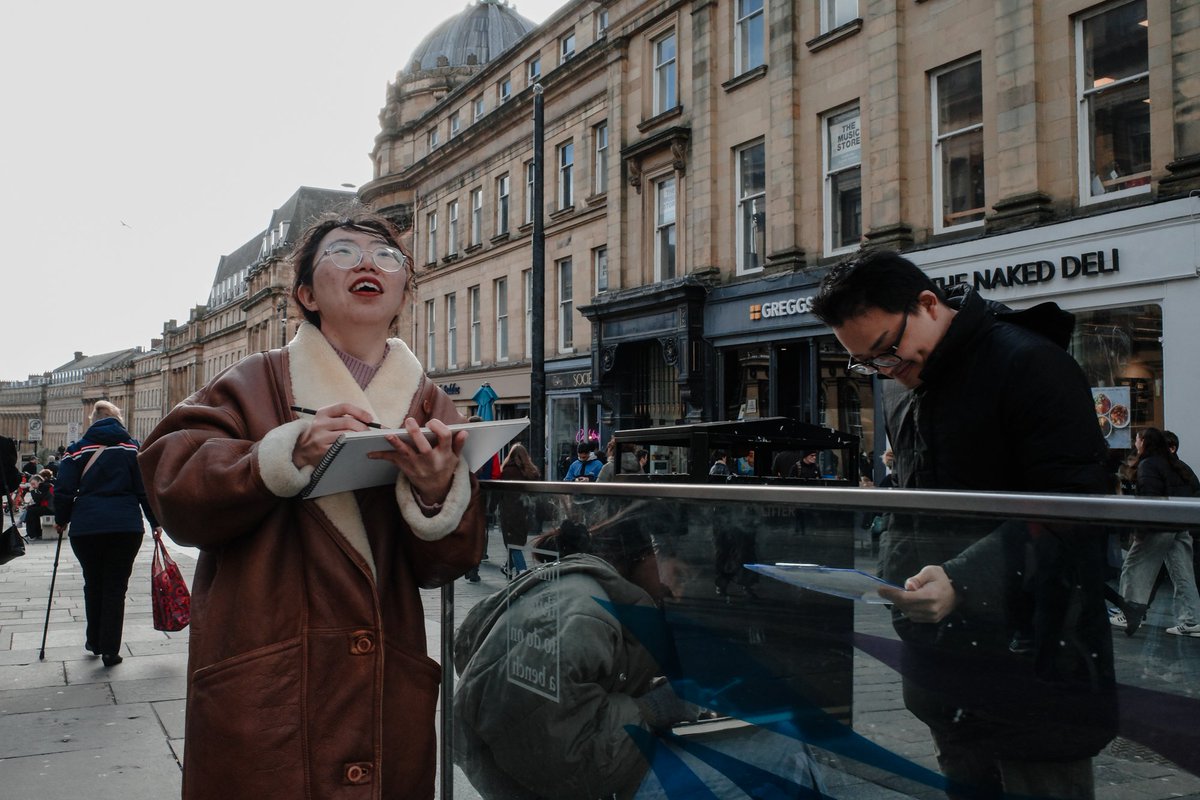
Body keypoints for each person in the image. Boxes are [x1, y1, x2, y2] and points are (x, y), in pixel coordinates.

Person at [138, 207, 486, 799]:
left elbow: (443, 566)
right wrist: (280, 458)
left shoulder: (428, 403)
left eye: (387, 256)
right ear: (305, 293)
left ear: (402, 291)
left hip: (381, 681)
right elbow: (170, 484)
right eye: (344, 252)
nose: (368, 263)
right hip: (268, 681)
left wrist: (434, 493)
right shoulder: (253, 381)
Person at [812, 249, 1116, 800]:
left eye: (886, 350)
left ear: (928, 303)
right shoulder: (910, 391)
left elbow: (1077, 506)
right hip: (947, 664)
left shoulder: (1029, 364)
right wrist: (892, 581)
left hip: (1036, 660)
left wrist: (964, 578)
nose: (886, 370)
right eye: (867, 363)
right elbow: (912, 509)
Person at [54, 400, 161, 666]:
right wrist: (155, 522)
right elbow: (143, 489)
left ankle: (94, 640)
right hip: (125, 525)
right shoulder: (132, 448)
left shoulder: (76, 450)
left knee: (93, 583)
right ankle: (111, 649)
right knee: (116, 587)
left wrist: (61, 519)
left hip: (87, 526)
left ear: (93, 420)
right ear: (117, 419)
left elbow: (64, 489)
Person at [1110, 427, 1200, 637]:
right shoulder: (1175, 464)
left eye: (1138, 440)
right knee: (1183, 573)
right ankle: (1192, 620)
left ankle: (1129, 613)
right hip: (1179, 524)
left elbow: (1149, 499)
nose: (1135, 443)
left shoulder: (1149, 465)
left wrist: (1142, 529)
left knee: (1133, 566)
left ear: (1146, 443)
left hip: (1158, 526)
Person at [496, 442, 541, 576]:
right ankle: (508, 567)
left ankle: (522, 570)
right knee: (517, 541)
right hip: (526, 511)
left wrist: (490, 507)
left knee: (512, 542)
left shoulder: (506, 471)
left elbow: (499, 492)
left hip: (509, 511)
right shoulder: (531, 471)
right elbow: (535, 492)